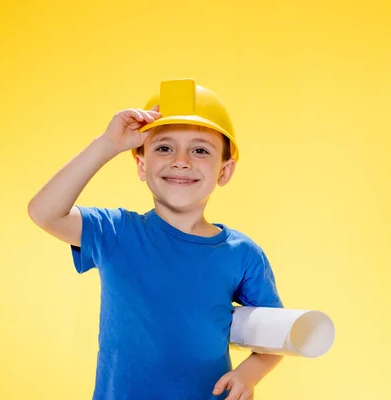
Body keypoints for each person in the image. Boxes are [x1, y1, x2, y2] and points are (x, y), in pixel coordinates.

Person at [28, 78, 285, 399]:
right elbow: (44, 212)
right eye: (164, 147)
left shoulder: (242, 253)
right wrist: (106, 145)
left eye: (200, 150)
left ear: (225, 171)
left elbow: (278, 334)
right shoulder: (116, 232)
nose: (181, 160)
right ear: (141, 164)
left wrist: (248, 374)